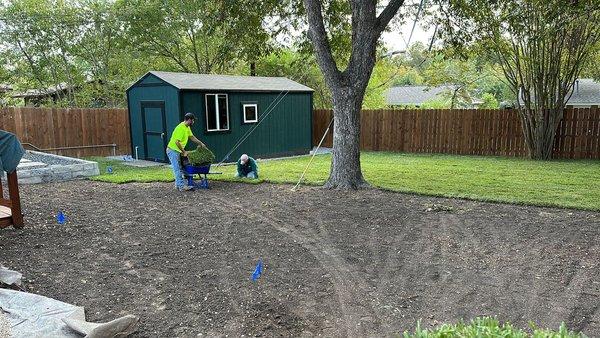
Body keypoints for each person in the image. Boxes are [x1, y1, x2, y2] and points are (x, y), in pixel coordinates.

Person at [166, 113, 206, 191]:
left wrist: (200, 143)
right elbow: (177, 142)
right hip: (173, 150)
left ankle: (178, 185)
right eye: (193, 120)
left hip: (177, 150)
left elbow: (192, 137)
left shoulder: (186, 127)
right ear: (189, 120)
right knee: (177, 169)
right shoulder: (181, 128)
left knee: (180, 168)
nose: (193, 122)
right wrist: (184, 151)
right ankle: (181, 186)